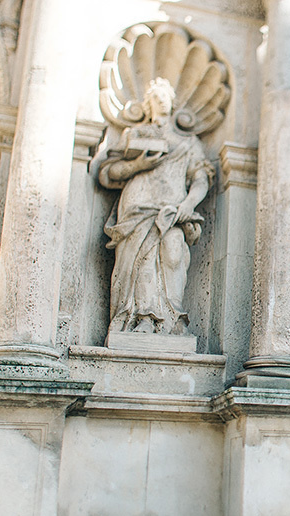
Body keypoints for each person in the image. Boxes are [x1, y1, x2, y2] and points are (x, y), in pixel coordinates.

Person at [98, 77, 215, 336]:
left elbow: (201, 178)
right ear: (147, 105)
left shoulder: (188, 143)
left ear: (173, 103)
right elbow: (109, 172)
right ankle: (140, 318)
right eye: (156, 98)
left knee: (173, 252)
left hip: (172, 210)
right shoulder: (135, 135)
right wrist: (139, 165)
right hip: (137, 207)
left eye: (165, 97)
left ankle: (171, 319)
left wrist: (188, 204)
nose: (161, 101)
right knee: (138, 261)